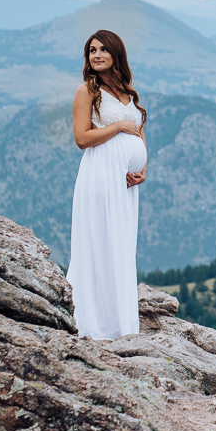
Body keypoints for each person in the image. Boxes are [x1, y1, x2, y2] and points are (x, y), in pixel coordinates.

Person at [67, 29, 148, 339]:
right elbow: (82, 138)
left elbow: (139, 133)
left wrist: (143, 170)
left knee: (121, 244)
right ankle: (93, 323)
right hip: (100, 175)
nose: (96, 55)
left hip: (126, 184)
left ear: (116, 54)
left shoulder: (128, 92)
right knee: (100, 241)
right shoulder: (87, 91)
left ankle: (119, 323)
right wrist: (117, 126)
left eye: (102, 49)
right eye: (91, 50)